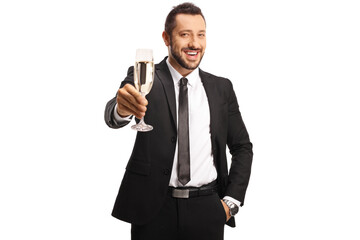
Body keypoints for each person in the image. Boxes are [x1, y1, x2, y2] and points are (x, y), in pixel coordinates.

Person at [104, 2, 253, 240]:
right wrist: (121, 110)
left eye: (201, 35)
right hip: (153, 209)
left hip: (208, 208)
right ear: (166, 37)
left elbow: (242, 147)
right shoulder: (146, 76)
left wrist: (231, 203)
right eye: (185, 34)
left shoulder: (221, 88)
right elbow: (115, 112)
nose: (195, 43)